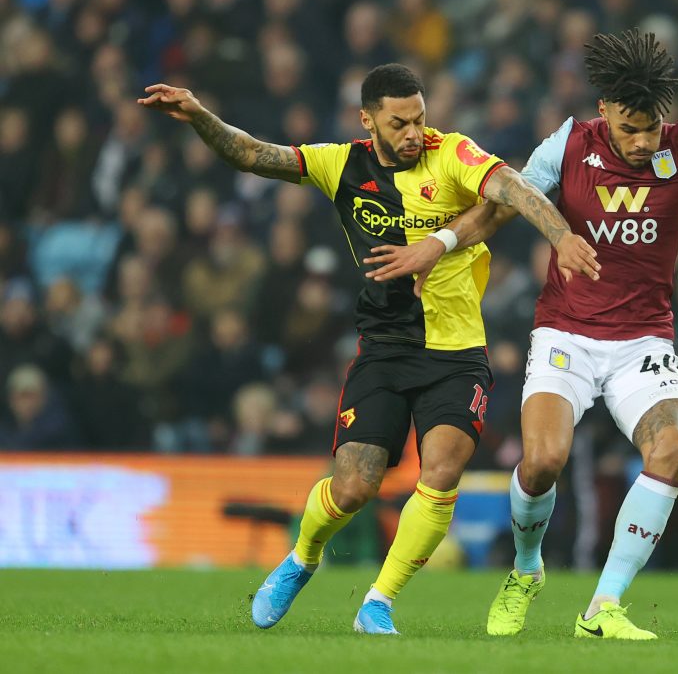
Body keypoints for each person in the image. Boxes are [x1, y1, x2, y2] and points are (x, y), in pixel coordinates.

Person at [364, 29, 678, 639]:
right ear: (604, 114)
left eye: (651, 128)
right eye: (629, 129)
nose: (644, 143)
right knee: (540, 464)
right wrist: (436, 245)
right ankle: (526, 570)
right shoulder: (567, 145)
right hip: (566, 334)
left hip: (643, 342)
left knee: (674, 447)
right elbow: (501, 204)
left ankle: (604, 606)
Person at [138, 63, 599, 634]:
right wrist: (200, 117)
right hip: (382, 347)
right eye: (399, 122)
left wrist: (562, 237)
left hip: (457, 352)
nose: (413, 133)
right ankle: (301, 558)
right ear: (368, 121)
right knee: (354, 486)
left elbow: (513, 190)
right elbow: (254, 155)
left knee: (442, 472)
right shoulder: (341, 164)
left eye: (420, 119)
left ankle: (379, 600)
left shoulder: (452, 153)